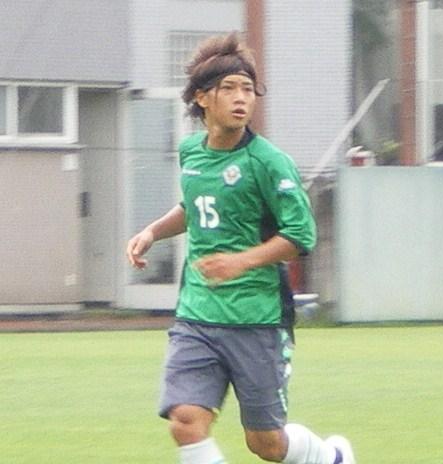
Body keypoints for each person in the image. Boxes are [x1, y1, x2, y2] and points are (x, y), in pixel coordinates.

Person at [126, 32, 355, 464]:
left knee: (265, 444)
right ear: (201, 98)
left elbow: (301, 235)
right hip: (197, 315)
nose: (241, 98)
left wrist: (241, 261)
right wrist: (152, 232)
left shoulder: (268, 162)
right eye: (229, 88)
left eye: (248, 89)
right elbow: (194, 207)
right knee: (185, 421)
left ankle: (330, 457)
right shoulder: (191, 152)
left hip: (256, 319)